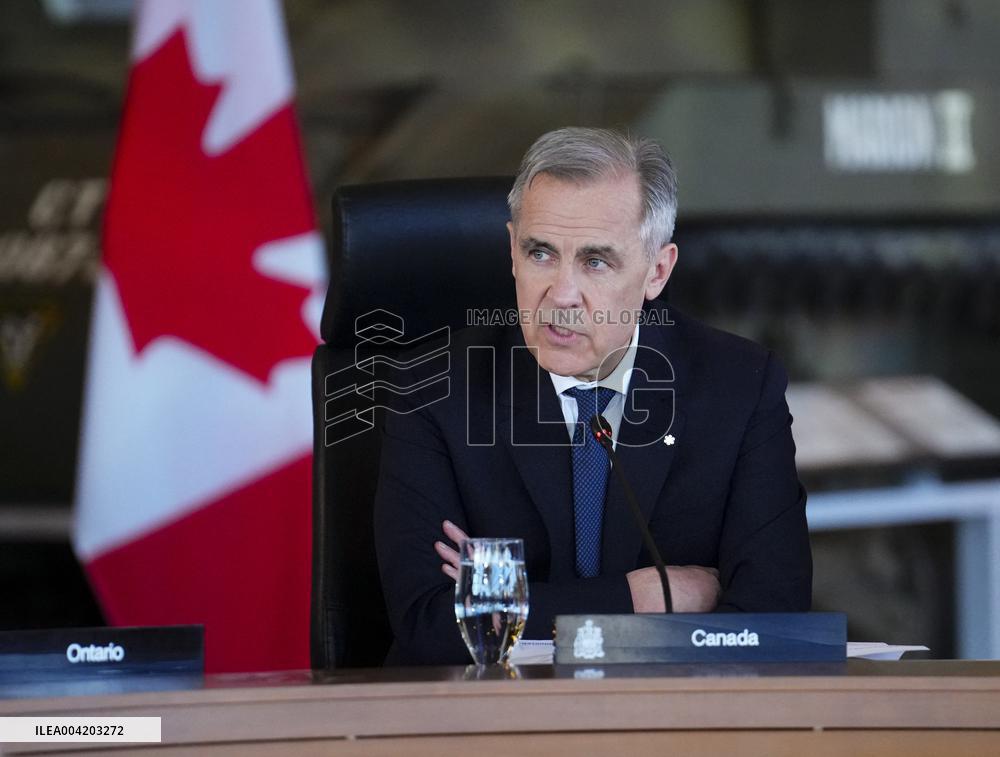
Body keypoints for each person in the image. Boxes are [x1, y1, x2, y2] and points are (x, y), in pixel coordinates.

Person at [374, 127, 811, 665]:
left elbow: (774, 621)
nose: (560, 295)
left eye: (595, 262)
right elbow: (431, 628)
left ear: (657, 270)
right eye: (540, 253)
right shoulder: (431, 390)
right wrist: (648, 597)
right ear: (511, 250)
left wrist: (511, 606)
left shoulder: (739, 386)